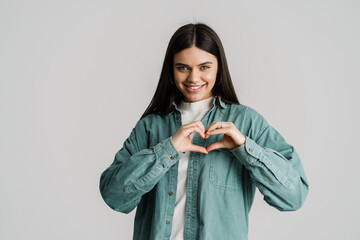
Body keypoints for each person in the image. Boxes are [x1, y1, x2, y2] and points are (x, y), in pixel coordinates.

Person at [99, 23, 309, 240]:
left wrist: (245, 148)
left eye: (204, 67)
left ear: (219, 68)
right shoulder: (151, 127)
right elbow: (113, 196)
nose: (193, 78)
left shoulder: (247, 122)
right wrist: (168, 149)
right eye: (183, 67)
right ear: (171, 70)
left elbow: (294, 196)